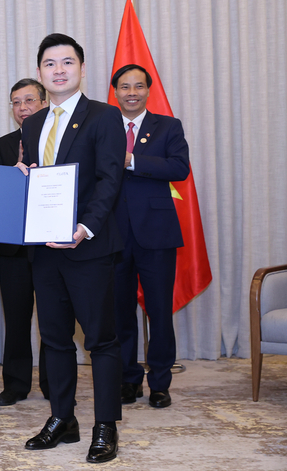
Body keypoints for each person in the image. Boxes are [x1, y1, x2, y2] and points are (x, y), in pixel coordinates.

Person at [18, 34, 125, 464]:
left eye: (67, 62)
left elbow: (109, 180)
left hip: (88, 246)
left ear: (81, 68)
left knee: (101, 340)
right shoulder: (32, 121)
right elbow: (43, 180)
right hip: (44, 248)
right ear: (41, 72)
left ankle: (106, 425)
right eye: (49, 63)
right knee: (56, 339)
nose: (58, 70)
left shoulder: (104, 116)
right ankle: (62, 418)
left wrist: (85, 228)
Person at [110, 64, 190, 409]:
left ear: (148, 90)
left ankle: (160, 382)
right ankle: (129, 380)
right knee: (120, 313)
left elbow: (178, 168)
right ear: (114, 91)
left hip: (156, 233)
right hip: (113, 233)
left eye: (138, 87)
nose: (131, 93)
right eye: (125, 87)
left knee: (159, 312)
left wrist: (132, 160)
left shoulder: (168, 126)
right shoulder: (104, 126)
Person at [0, 78, 49, 405]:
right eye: (16, 102)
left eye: (29, 100)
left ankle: (53, 383)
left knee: (53, 319)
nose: (23, 108)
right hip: (13, 245)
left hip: (50, 244)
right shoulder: (0, 146)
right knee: (15, 317)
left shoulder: (59, 140)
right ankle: (15, 384)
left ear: (43, 103)